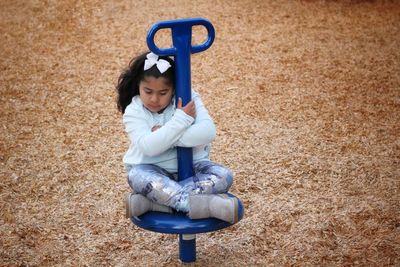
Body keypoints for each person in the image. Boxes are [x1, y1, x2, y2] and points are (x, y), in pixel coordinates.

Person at [116, 51, 239, 224]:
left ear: (173, 89)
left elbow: (208, 132)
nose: (154, 98)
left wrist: (163, 135)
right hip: (152, 170)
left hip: (193, 167)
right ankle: (206, 205)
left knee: (223, 175)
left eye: (163, 92)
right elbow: (149, 148)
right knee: (137, 175)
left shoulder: (188, 97)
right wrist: (181, 119)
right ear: (138, 86)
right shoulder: (134, 110)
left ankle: (155, 202)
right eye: (148, 91)